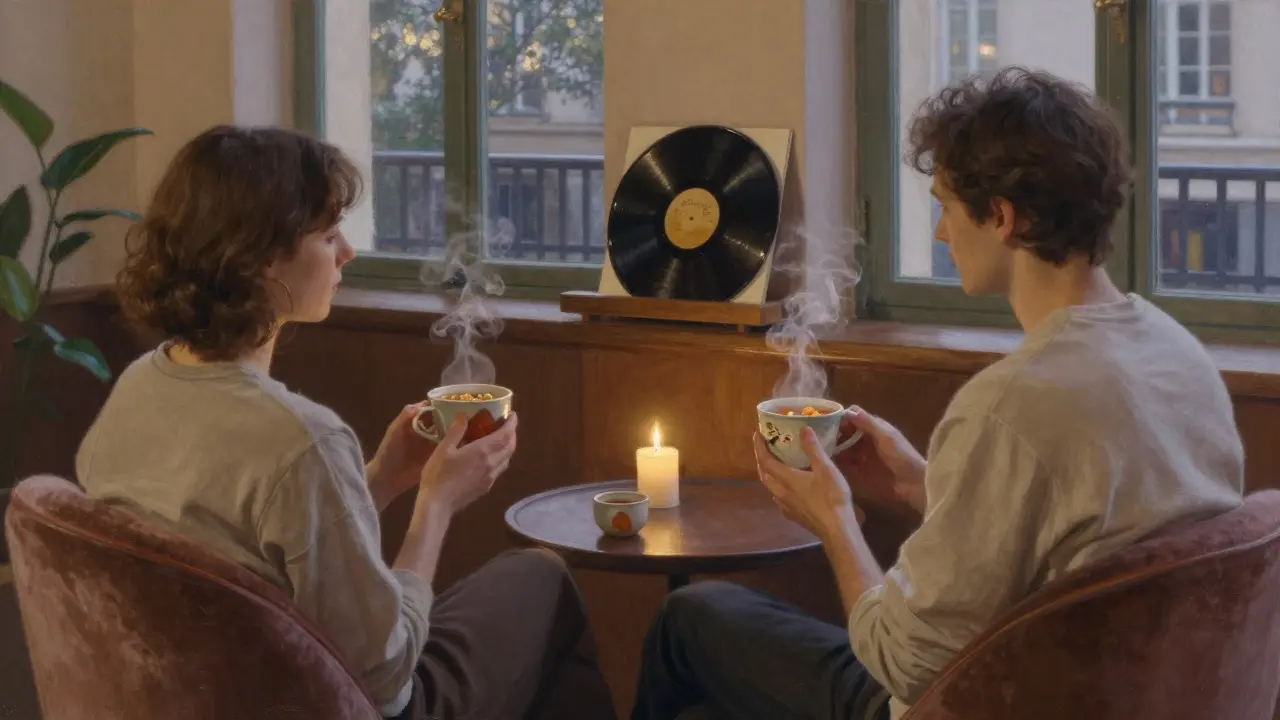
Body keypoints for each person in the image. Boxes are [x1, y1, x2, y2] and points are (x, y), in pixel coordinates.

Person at [631, 67, 1245, 720]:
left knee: (687, 619)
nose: (940, 233)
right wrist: (922, 486)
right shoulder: (1177, 352)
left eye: (946, 207)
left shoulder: (1012, 407)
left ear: (1001, 217)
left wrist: (834, 521)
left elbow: (902, 662)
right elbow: (1070, 542)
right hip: (1120, 694)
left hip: (974, 705)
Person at [77, 125, 616, 720]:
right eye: (330, 235)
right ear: (261, 258)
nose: (348, 254)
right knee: (542, 579)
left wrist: (380, 477)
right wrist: (436, 505)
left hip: (195, 695)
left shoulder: (139, 386)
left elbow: (259, 552)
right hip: (328, 705)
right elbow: (386, 679)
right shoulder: (299, 438)